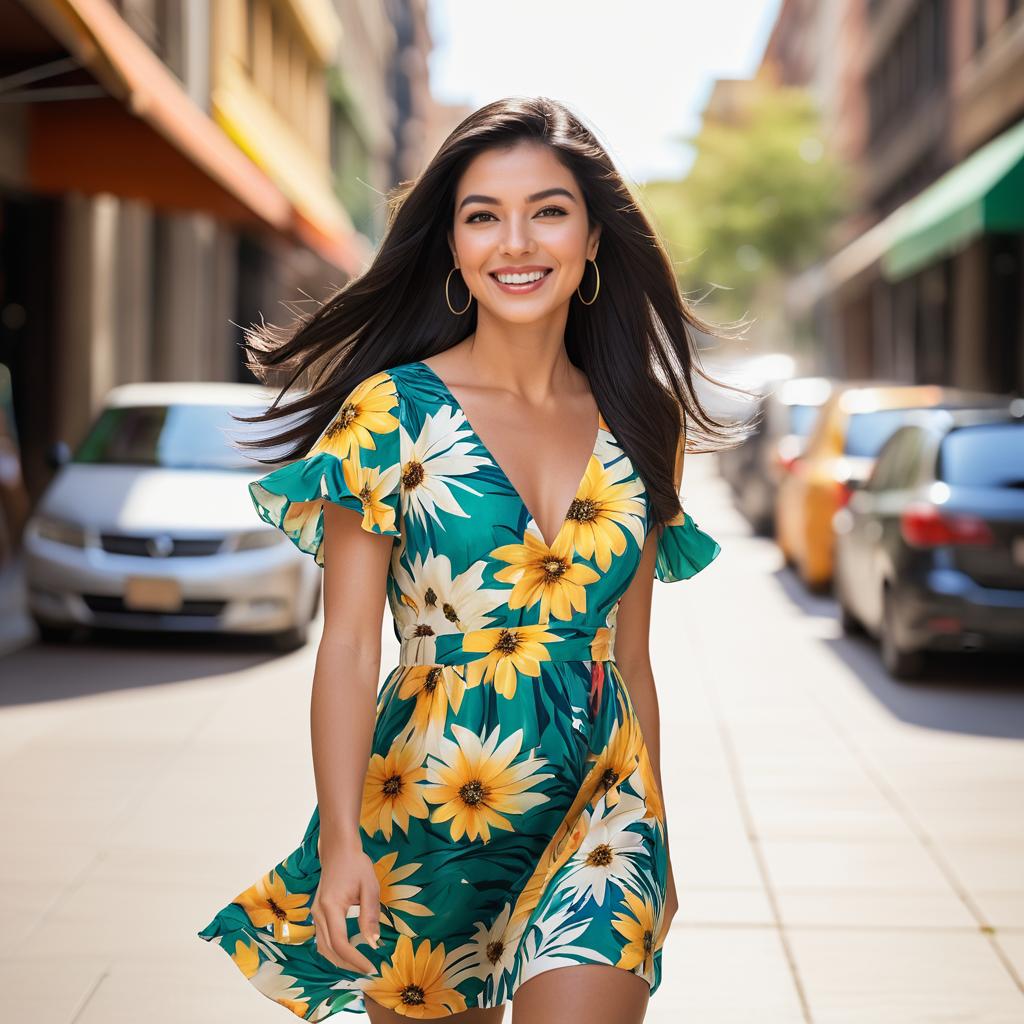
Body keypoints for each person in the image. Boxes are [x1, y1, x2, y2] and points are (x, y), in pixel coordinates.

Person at [197, 96, 743, 1023]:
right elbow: (347, 650)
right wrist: (340, 845)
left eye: (549, 210)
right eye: (483, 215)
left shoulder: (641, 416)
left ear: (594, 238)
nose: (515, 241)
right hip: (428, 808)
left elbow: (634, 659)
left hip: (601, 818)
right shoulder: (391, 411)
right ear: (452, 247)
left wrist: (663, 839)